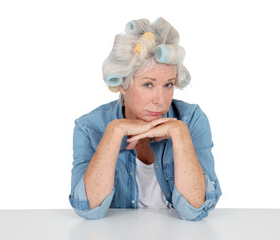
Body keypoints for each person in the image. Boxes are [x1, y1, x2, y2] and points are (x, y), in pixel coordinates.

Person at [69, 17, 222, 220]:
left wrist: (179, 133)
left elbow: (195, 210)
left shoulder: (191, 119)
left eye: (168, 85)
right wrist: (115, 131)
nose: (160, 100)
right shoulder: (89, 127)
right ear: (122, 84)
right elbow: (88, 209)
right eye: (148, 84)